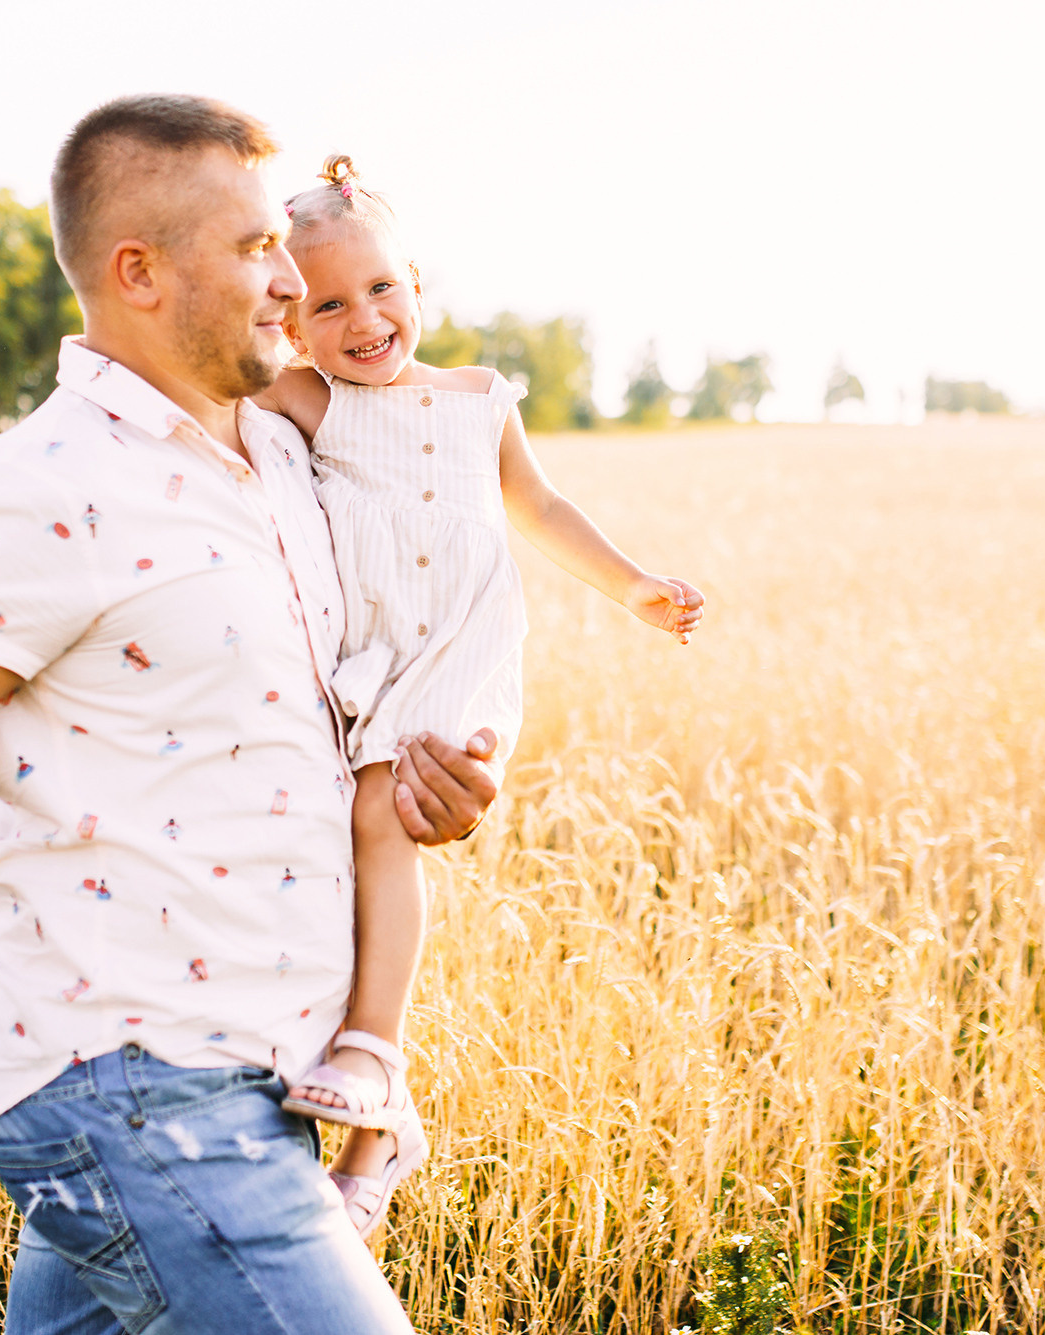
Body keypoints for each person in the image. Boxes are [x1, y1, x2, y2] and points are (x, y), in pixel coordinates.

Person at [0, 96, 501, 1332]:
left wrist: (413, 787)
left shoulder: (287, 460)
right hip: (138, 1093)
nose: (290, 281)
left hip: (263, 1089)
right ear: (137, 271)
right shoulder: (41, 490)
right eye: (252, 249)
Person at [254, 156, 704, 1234]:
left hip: (455, 652)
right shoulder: (305, 398)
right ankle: (370, 1140)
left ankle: (370, 1051)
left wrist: (631, 587)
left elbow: (539, 508)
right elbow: (203, 376)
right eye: (325, 304)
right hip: (366, 661)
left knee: (383, 816)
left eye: (380, 288)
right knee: (342, 846)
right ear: (293, 323)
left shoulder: (476, 400)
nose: (363, 319)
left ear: (417, 281)